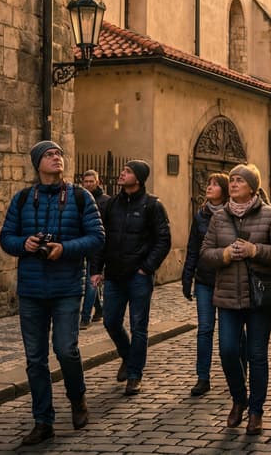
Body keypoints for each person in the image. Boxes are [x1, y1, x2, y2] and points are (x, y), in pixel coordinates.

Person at [0, 140, 105, 446]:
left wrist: (65, 249)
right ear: (37, 163)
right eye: (49, 154)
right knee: (35, 359)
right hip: (31, 290)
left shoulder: (81, 197)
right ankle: (43, 421)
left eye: (59, 154)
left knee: (65, 349)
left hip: (67, 288)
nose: (56, 158)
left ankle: (77, 398)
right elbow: (6, 238)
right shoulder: (21, 199)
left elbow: (97, 238)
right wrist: (24, 244)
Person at [200, 164, 271, 436]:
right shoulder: (219, 217)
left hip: (259, 296)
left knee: (257, 354)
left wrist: (255, 250)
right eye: (233, 180)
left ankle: (256, 411)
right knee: (228, 351)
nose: (234, 183)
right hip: (227, 296)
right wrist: (225, 254)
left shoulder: (270, 215)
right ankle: (239, 398)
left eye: (240, 180)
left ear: (252, 186)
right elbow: (206, 253)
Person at [90, 160, 171, 396]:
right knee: (110, 321)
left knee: (139, 327)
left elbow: (163, 239)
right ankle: (127, 356)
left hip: (138, 277)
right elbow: (100, 238)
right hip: (114, 275)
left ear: (139, 178)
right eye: (123, 171)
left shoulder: (152, 205)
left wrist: (147, 267)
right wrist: (96, 269)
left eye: (127, 172)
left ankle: (134, 374)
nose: (122, 174)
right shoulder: (112, 204)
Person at [182, 172, 230, 396]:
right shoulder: (201, 215)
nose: (209, 187)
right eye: (208, 183)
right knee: (205, 328)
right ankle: (203, 377)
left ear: (225, 189)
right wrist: (187, 276)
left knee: (232, 331)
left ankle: (238, 372)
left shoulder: (234, 213)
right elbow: (193, 248)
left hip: (228, 278)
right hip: (204, 280)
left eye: (214, 184)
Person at [79, 170, 110, 328]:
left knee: (91, 281)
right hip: (82, 244)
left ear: (98, 182)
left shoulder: (105, 201)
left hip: (98, 247)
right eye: (86, 181)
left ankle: (85, 317)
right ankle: (100, 309)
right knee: (92, 281)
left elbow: (108, 227)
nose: (89, 184)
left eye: (92, 181)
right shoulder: (80, 199)